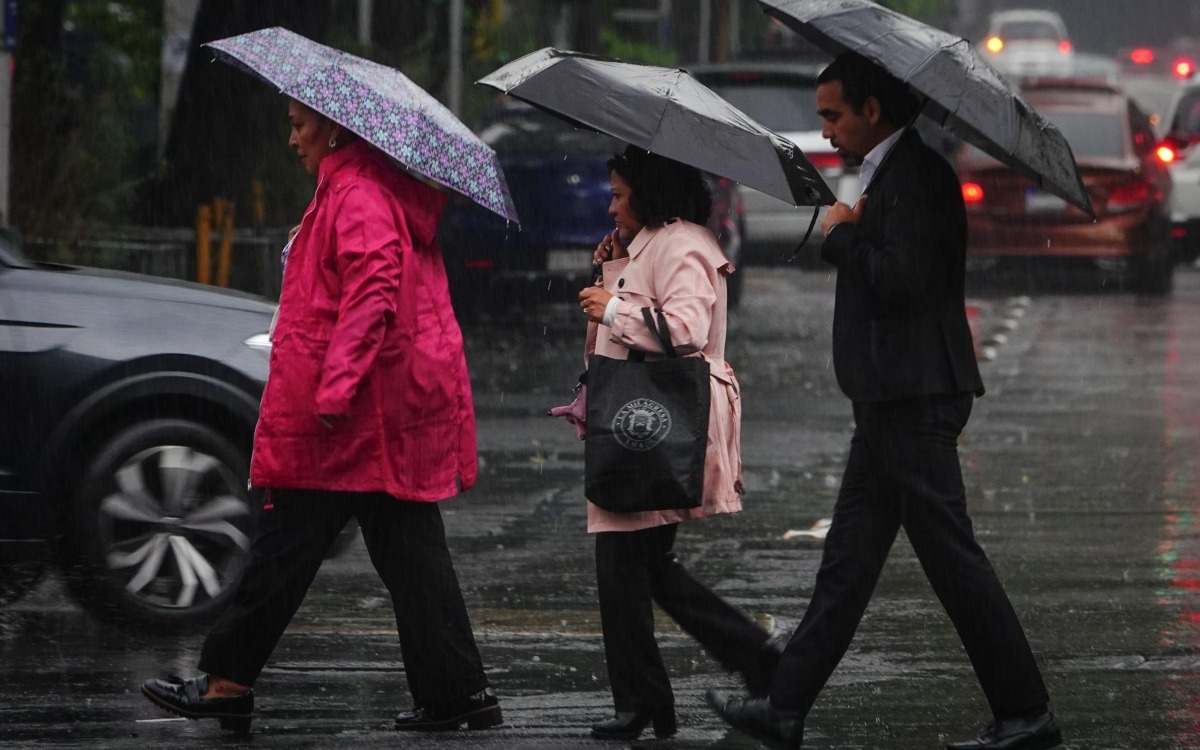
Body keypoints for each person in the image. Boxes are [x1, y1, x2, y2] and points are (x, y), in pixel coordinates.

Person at [706, 53, 1060, 750]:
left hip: (916, 395)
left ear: (874, 111)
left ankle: (1027, 712)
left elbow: (900, 280)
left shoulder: (919, 178)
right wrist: (850, 226)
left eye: (833, 115)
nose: (826, 131)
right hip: (890, 397)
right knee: (848, 564)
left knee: (953, 562)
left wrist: (841, 234)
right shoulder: (889, 176)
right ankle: (783, 708)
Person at [140, 99, 501, 734]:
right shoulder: (354, 190)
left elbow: (372, 290)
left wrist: (334, 391)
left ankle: (227, 681)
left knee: (287, 543)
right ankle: (456, 693)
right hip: (376, 417)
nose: (291, 138)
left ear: (334, 126)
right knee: (410, 552)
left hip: (351, 418)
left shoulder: (356, 192)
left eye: (299, 124)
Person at [570, 145, 782, 741]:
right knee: (644, 566)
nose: (610, 206)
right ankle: (729, 667)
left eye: (618, 194)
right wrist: (613, 272)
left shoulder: (682, 242)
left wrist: (612, 304)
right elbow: (622, 330)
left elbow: (684, 329)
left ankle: (653, 696)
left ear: (649, 191)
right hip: (640, 421)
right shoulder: (650, 243)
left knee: (626, 564)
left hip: (658, 421)